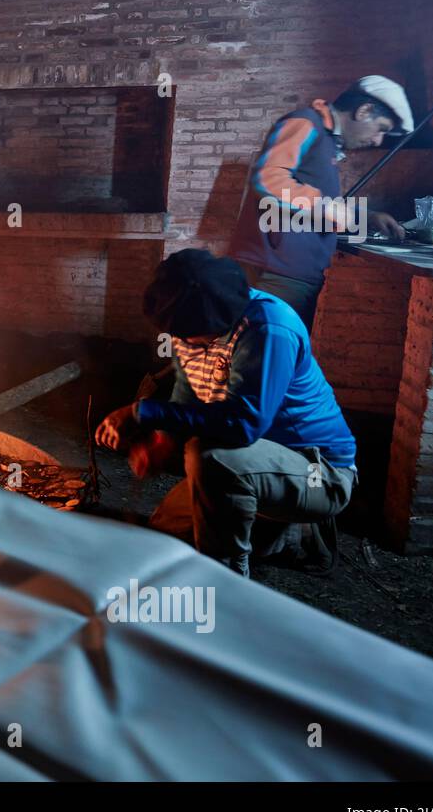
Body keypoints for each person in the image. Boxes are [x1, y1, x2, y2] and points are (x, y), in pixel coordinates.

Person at [96, 249, 358, 578]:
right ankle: (280, 532)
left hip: (317, 470)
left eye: (189, 336)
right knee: (166, 534)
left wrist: (144, 412)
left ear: (216, 323)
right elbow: (188, 391)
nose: (183, 342)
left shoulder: (269, 329)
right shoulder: (193, 322)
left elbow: (244, 424)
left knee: (209, 458)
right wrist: (164, 440)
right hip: (257, 463)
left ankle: (225, 584)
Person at [228, 75, 415, 330]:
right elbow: (267, 179)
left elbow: (314, 202)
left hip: (290, 271)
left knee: (273, 355)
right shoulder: (306, 123)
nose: (378, 140)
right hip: (275, 272)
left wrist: (366, 217)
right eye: (380, 128)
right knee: (264, 357)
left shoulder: (326, 140)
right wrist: (324, 205)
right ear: (364, 111)